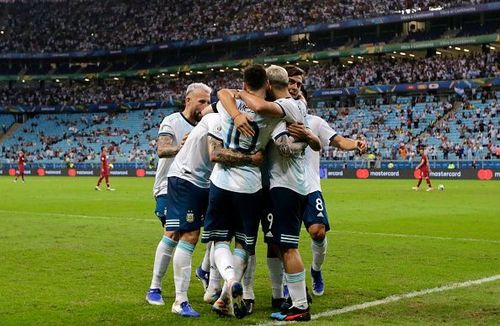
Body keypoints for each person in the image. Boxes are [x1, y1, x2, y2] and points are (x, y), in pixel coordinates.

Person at [202, 64, 306, 319]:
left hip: (221, 181)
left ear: (244, 83)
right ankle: (228, 293)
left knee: (219, 240)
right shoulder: (275, 114)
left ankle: (228, 281)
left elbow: (223, 93)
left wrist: (237, 114)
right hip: (250, 186)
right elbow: (275, 118)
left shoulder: (227, 106)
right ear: (268, 85)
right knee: (244, 244)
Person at [166, 110, 263, 317]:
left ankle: (217, 286)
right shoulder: (216, 119)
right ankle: (179, 300)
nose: (202, 108)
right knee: (190, 236)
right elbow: (215, 154)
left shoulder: (230, 121)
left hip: (207, 182)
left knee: (216, 239)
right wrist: (251, 158)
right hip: (188, 178)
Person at [145, 83, 211, 306]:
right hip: (168, 186)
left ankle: (204, 271)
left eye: (207, 101)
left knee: (215, 231)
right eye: (201, 101)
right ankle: (155, 287)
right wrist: (182, 147)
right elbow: (162, 150)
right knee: (173, 233)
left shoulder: (207, 124)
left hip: (198, 186)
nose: (205, 106)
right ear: (188, 101)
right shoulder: (172, 121)